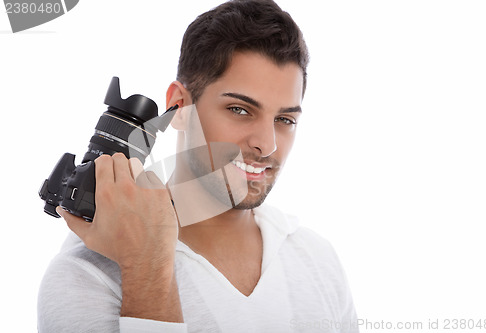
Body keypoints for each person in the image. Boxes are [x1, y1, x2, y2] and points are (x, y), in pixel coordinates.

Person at [38, 0, 359, 332]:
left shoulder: (318, 260)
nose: (268, 144)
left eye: (284, 119)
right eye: (239, 110)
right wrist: (148, 269)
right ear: (179, 106)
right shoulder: (86, 276)